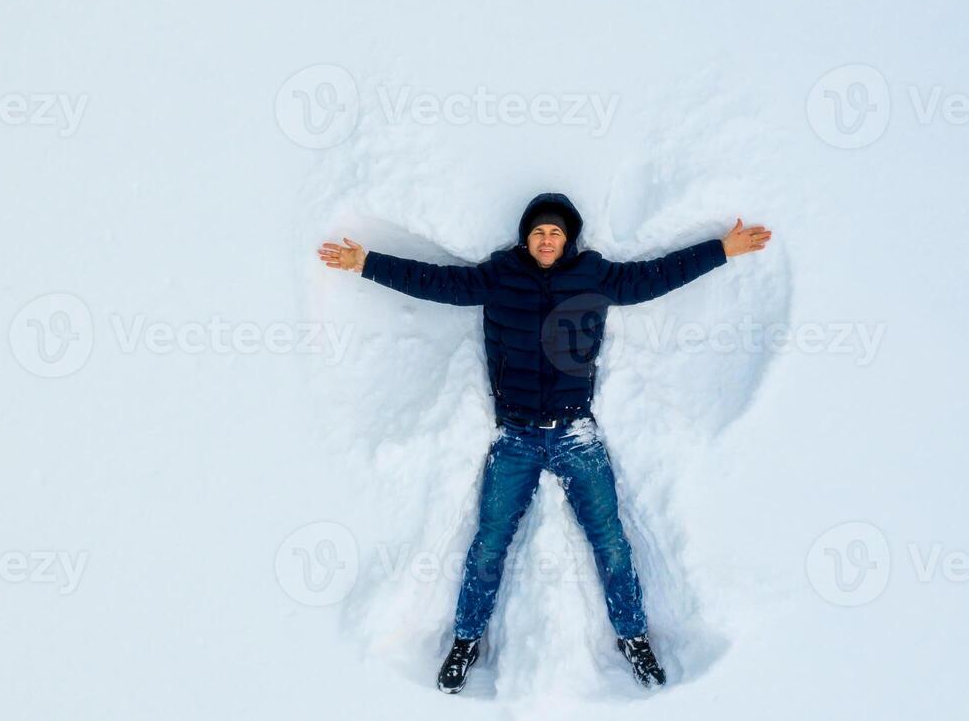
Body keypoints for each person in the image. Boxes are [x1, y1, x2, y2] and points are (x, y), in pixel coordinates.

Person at [317, 193, 772, 692]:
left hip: (577, 433)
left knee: (610, 542)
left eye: (555, 233)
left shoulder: (595, 277)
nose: (547, 240)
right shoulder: (498, 277)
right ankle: (466, 640)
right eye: (538, 232)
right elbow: (435, 283)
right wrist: (366, 263)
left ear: (568, 238)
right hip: (515, 436)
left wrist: (721, 250)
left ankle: (634, 637)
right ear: (525, 238)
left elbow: (656, 276)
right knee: (489, 544)